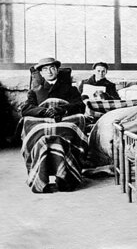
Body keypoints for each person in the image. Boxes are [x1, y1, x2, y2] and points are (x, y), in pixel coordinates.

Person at [20, 57, 87, 192]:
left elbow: (80, 106)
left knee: (69, 130)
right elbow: (26, 109)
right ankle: (41, 178)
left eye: (52, 68)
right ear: (41, 73)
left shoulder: (70, 89)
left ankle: (66, 179)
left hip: (64, 120)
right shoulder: (35, 91)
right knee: (35, 132)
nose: (49, 71)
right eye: (45, 69)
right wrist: (45, 111)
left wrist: (62, 109)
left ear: (57, 70)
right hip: (41, 122)